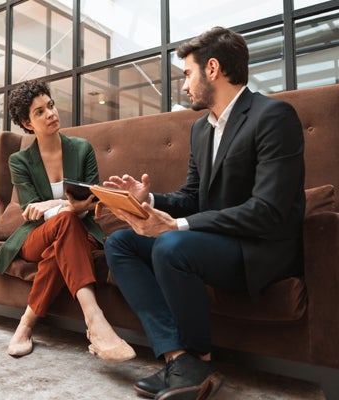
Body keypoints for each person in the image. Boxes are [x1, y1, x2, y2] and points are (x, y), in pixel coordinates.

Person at [103, 27, 305, 400]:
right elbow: (194, 196)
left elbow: (268, 211)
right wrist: (151, 200)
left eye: (187, 74)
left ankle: (199, 357)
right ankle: (183, 361)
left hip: (257, 249)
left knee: (170, 246)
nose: (184, 86)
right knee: (120, 243)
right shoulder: (200, 129)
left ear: (212, 68)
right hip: (210, 242)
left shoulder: (274, 116)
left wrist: (177, 225)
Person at [0, 79, 136, 363]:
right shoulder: (19, 161)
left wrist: (54, 204)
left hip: (81, 230)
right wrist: (66, 205)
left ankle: (26, 325)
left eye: (51, 106)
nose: (51, 114)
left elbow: (93, 200)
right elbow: (33, 211)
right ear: (27, 122)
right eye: (40, 112)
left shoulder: (82, 149)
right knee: (64, 223)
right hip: (37, 235)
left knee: (63, 239)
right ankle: (94, 320)